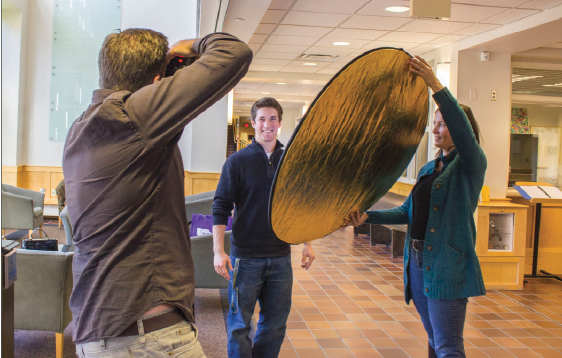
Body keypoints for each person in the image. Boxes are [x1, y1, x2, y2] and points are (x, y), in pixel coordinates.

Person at [63, 29, 252, 358]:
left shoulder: (80, 127)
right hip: (148, 339)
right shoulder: (134, 116)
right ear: (156, 81)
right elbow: (233, 53)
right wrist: (188, 47)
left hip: (97, 334)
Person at [345, 56, 487, 358]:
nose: (436, 130)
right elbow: (407, 212)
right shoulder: (429, 167)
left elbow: (463, 133)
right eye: (434, 124)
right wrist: (366, 216)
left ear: (462, 129)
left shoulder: (470, 164)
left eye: (443, 124)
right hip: (419, 263)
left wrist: (435, 85)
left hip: (448, 268)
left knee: (448, 346)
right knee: (434, 340)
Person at [212, 97, 316, 358]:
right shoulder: (237, 162)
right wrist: (218, 250)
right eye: (262, 119)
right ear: (253, 122)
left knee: (275, 325)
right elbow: (220, 205)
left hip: (280, 257)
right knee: (239, 326)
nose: (267, 124)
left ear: (279, 123)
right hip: (244, 258)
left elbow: (302, 204)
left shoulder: (291, 161)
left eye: (272, 119)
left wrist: (308, 243)